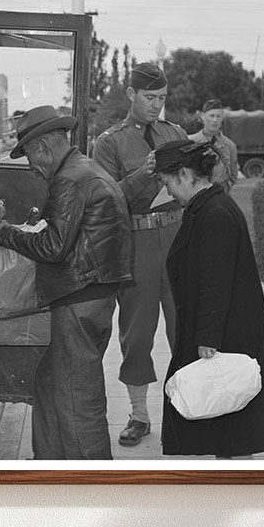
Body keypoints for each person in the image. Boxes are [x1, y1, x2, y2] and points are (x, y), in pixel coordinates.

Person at [0, 105, 131, 459]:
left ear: (44, 147)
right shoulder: (84, 169)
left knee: (77, 402)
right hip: (92, 297)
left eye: (30, 158)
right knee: (53, 386)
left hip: (78, 301)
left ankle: (95, 484)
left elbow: (54, 246)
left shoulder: (68, 179)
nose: (32, 168)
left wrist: (7, 234)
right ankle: (49, 464)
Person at [153, 139, 264, 458]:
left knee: (232, 427)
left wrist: (207, 339)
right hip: (222, 331)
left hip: (223, 336)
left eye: (167, 183)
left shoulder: (214, 212)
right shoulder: (208, 207)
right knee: (228, 428)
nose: (167, 192)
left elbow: (215, 282)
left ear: (184, 174)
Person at [92, 62, 189, 447]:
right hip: (137, 246)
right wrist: (144, 174)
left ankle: (188, 410)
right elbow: (105, 200)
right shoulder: (110, 142)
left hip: (177, 238)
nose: (156, 105)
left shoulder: (175, 133)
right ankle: (139, 414)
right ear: (130, 94)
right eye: (150, 98)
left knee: (186, 325)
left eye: (162, 98)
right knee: (136, 333)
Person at [192, 98, 239, 192]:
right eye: (211, 116)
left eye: (218, 116)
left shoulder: (230, 146)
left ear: (222, 118)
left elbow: (233, 175)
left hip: (220, 198)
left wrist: (224, 190)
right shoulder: (191, 142)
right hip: (195, 197)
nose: (215, 120)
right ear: (203, 117)